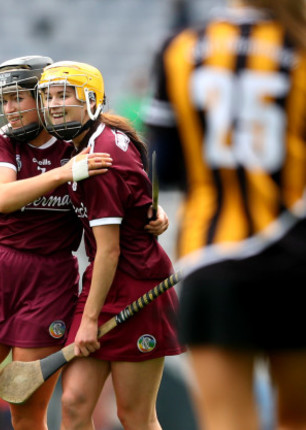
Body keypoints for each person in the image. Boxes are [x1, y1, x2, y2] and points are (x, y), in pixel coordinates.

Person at [0, 56, 168, 430]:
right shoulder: (0, 143)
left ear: (43, 101)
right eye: (5, 101)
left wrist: (154, 215)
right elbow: (3, 198)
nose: (10, 110)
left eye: (19, 100)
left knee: (27, 413)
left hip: (51, 280)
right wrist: (64, 173)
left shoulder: (79, 141)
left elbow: (128, 190)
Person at [143, 1, 306, 429]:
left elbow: (165, 165)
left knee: (227, 423)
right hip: (298, 262)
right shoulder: (301, 44)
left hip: (213, 260)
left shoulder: (182, 49)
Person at [37, 61, 184, 430]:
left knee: (134, 416)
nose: (55, 105)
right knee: (73, 404)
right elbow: (139, 199)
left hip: (138, 287)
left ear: (91, 101)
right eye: (49, 96)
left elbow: (110, 249)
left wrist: (88, 321)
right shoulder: (87, 141)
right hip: (101, 285)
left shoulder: (102, 157)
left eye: (65, 95)